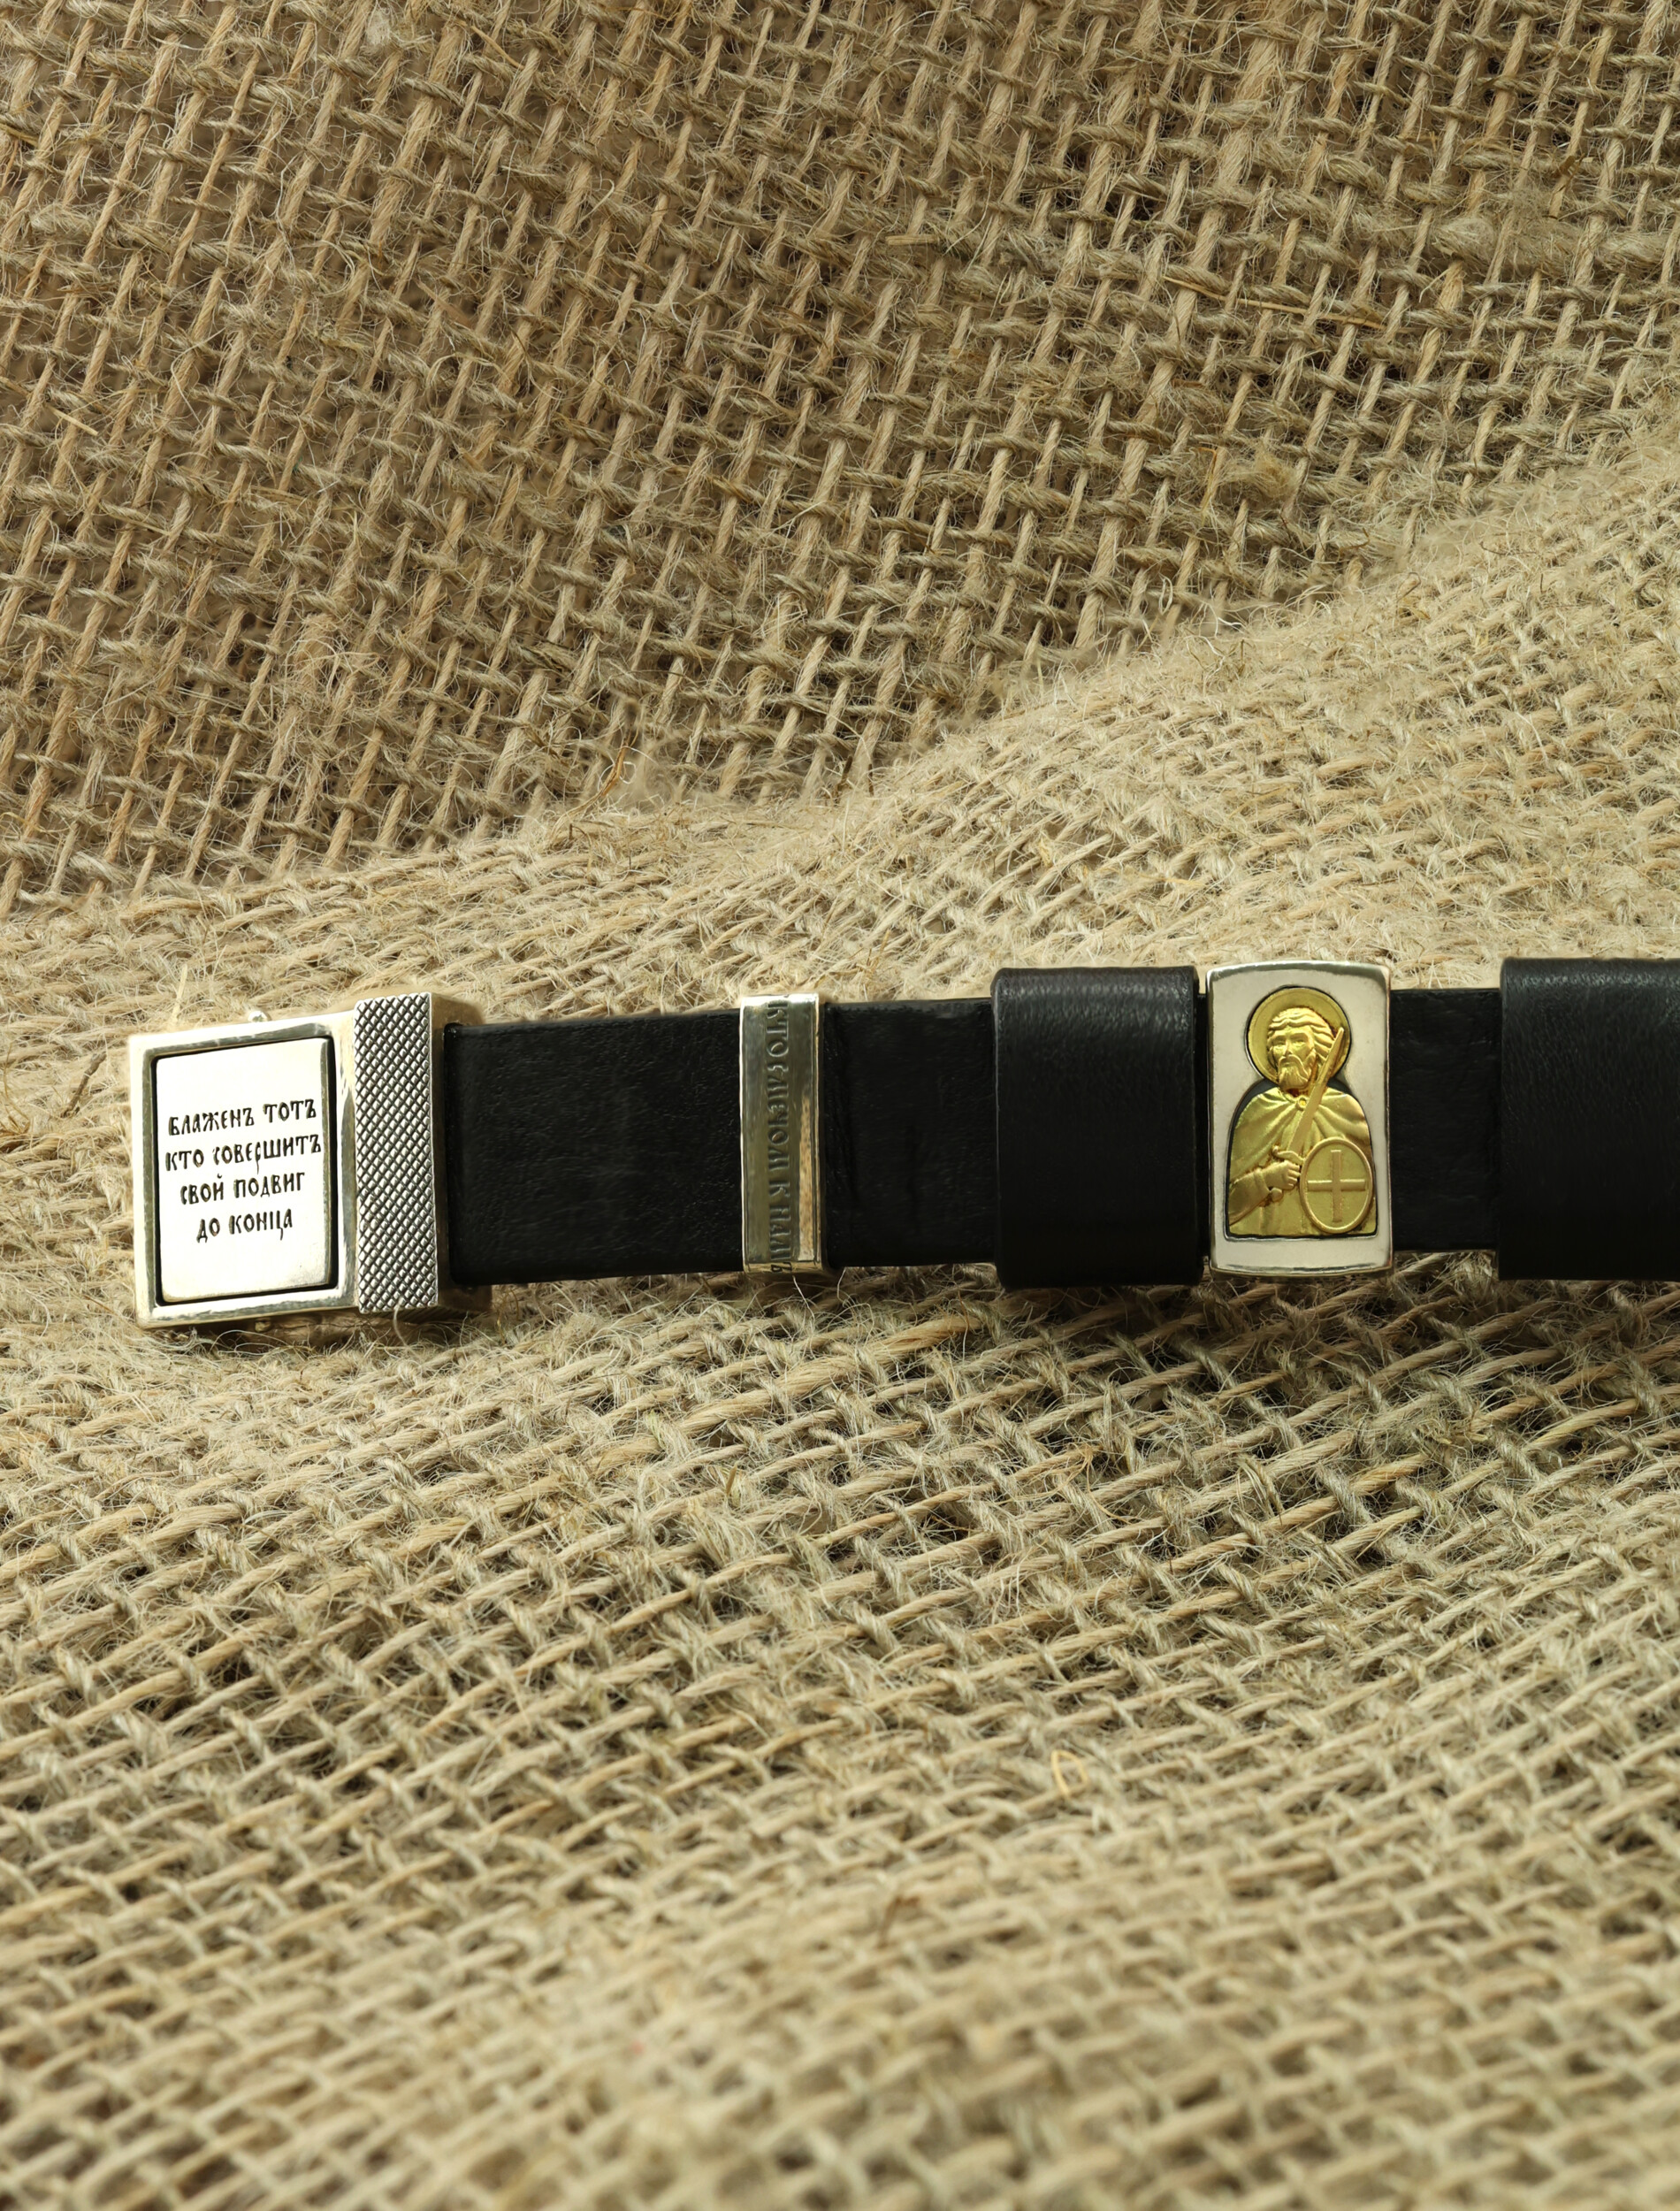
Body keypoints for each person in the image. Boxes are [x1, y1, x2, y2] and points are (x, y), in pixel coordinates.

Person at [1228, 1000, 1374, 1237]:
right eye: (1278, 1043)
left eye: (1297, 1041)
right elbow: (1227, 1208)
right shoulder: (1258, 1111)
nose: (1286, 1051)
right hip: (1266, 1245)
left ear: (1319, 1050)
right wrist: (1267, 1178)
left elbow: (1369, 1197)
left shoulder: (1345, 1109)